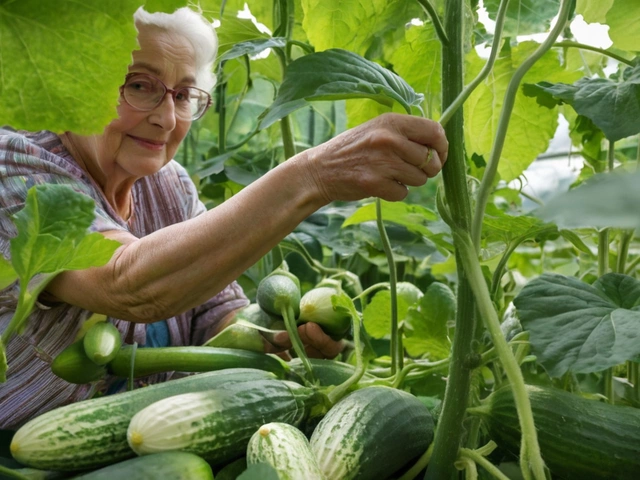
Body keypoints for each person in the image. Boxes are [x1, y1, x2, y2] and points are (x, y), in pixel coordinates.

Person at [0, 6, 448, 430]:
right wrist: (314, 175)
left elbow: (218, 310)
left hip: (156, 441)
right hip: (21, 456)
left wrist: (272, 335)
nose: (166, 117)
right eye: (139, 85)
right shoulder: (15, 164)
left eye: (183, 95)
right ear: (77, 81)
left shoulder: (168, 183)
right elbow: (127, 283)